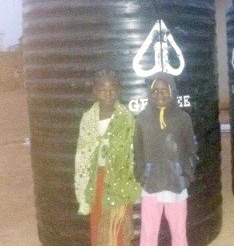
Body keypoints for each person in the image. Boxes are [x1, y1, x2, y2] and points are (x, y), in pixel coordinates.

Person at [74, 69, 141, 246]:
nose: (108, 95)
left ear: (118, 91)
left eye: (112, 90)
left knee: (118, 222)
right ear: (95, 92)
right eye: (103, 91)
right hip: (97, 180)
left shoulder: (125, 117)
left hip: (120, 177)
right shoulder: (88, 119)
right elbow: (83, 152)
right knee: (99, 220)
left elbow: (132, 149)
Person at [134, 71, 198, 246]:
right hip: (151, 183)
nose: (160, 94)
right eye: (155, 90)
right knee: (148, 232)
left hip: (176, 182)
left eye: (164, 90)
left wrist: (187, 174)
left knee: (178, 231)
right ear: (149, 93)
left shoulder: (183, 118)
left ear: (173, 91)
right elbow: (137, 151)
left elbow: (192, 149)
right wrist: (140, 174)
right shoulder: (142, 119)